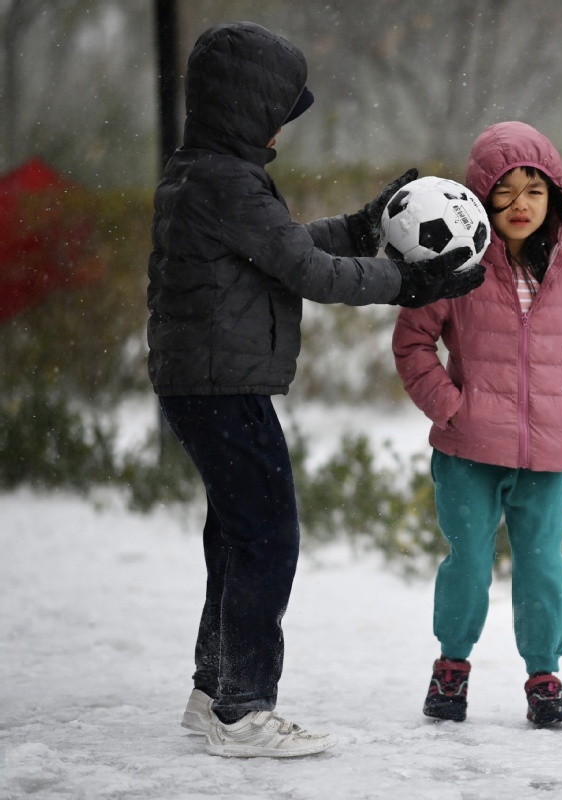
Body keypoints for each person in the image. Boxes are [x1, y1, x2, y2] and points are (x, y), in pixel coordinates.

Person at [147, 21, 484, 758]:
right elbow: (307, 272)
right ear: (247, 113)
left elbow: (283, 246)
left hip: (203, 382)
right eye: (276, 115)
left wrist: (364, 226)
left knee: (236, 538)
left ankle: (215, 691)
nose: (280, 131)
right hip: (220, 386)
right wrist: (408, 281)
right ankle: (243, 708)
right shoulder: (225, 181)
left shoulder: (202, 174)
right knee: (268, 537)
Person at [392, 121, 562, 726]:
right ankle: (451, 669)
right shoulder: (456, 266)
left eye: (534, 191)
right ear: (481, 196)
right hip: (468, 452)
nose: (521, 205)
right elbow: (413, 345)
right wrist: (450, 406)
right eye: (506, 191)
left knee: (543, 565)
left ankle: (544, 678)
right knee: (467, 561)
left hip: (545, 455)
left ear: (555, 200)